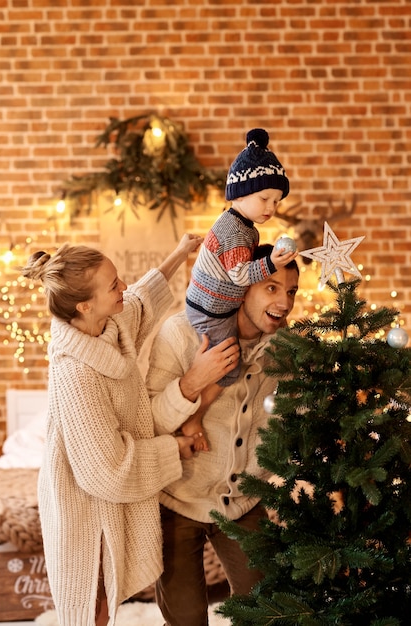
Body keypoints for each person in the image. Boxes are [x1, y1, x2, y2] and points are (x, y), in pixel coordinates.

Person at [19, 233, 203, 626]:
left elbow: (140, 299)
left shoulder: (108, 323)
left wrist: (180, 252)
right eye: (113, 285)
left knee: (108, 597)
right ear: (85, 304)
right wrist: (175, 448)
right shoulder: (75, 371)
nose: (123, 287)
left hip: (103, 490)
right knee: (91, 606)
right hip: (80, 500)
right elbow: (107, 468)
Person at [147, 247, 300, 626]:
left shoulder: (288, 350)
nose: (285, 302)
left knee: (267, 613)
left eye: (292, 291)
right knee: (184, 619)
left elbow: (299, 418)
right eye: (272, 287)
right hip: (177, 499)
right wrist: (192, 382)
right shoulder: (181, 332)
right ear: (243, 287)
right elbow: (149, 422)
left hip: (244, 501)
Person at [184, 128, 296, 450]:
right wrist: (272, 264)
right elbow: (238, 275)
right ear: (239, 194)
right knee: (229, 364)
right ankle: (195, 416)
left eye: (276, 200)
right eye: (264, 198)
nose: (271, 207)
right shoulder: (234, 229)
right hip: (210, 309)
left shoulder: (243, 226)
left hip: (219, 303)